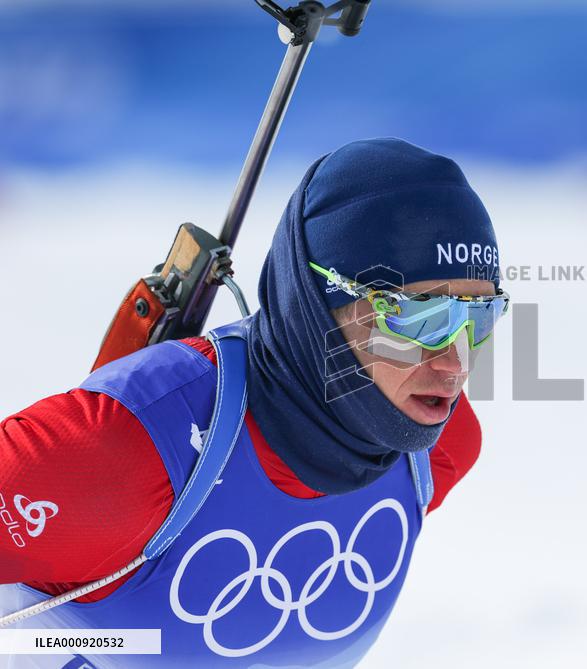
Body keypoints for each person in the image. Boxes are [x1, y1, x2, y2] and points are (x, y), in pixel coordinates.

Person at [0, 138, 507, 668]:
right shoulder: (124, 451)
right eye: (418, 317)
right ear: (317, 304)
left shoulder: (435, 445)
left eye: (479, 318)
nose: (453, 364)